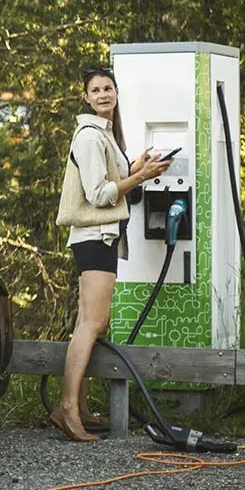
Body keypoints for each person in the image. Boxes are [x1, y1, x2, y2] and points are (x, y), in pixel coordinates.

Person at [50, 67, 170, 442]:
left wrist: (135, 169)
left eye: (108, 88)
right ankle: (68, 408)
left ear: (116, 93)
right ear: (85, 97)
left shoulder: (105, 135)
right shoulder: (89, 137)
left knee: (86, 322)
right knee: (93, 324)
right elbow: (99, 194)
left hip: (100, 237)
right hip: (94, 237)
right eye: (95, 90)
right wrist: (140, 177)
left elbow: (111, 181)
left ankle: (78, 407)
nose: (103, 94)